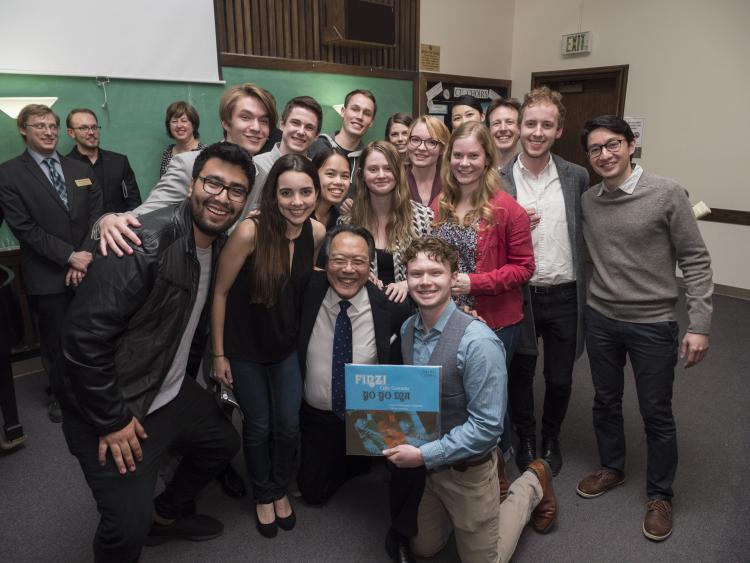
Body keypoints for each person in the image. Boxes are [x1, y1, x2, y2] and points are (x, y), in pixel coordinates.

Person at [60, 142, 252, 563]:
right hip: (111, 404)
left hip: (165, 387)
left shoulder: (217, 245)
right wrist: (111, 419)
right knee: (125, 531)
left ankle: (167, 516)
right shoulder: (144, 241)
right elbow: (80, 341)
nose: (222, 197)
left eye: (236, 190)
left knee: (221, 444)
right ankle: (141, 525)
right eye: (213, 183)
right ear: (191, 185)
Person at [576, 116, 713, 542]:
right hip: (601, 317)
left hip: (653, 322)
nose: (605, 154)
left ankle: (660, 495)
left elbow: (695, 260)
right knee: (605, 399)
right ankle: (613, 468)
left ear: (631, 144)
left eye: (613, 144)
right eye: (595, 148)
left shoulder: (667, 193)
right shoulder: (589, 201)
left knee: (656, 412)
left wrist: (700, 324)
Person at [385, 237, 558, 563]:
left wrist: (422, 455)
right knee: (425, 548)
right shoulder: (408, 330)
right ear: (405, 279)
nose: (424, 281)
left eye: (435, 272)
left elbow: (488, 428)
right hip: (428, 473)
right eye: (415, 273)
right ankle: (466, 515)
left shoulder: (478, 342)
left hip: (468, 470)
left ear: (454, 278)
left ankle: (532, 482)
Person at [211, 154, 326, 538]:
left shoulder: (318, 232)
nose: (297, 201)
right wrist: (218, 354)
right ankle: (263, 493)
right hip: (244, 351)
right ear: (273, 195)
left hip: (287, 349)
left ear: (316, 192)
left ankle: (279, 486)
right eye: (287, 193)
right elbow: (221, 293)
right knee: (258, 426)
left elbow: (311, 282)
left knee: (289, 426)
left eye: (306, 192)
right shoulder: (250, 232)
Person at [296, 224, 423, 563]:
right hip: (320, 414)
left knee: (412, 458)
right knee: (312, 493)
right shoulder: (306, 291)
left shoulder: (392, 308)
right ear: (325, 263)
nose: (348, 270)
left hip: (372, 413)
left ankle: (400, 534)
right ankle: (355, 460)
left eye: (358, 261)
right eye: (339, 260)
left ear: (370, 266)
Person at [499, 86, 589, 476]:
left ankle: (551, 435)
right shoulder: (499, 179)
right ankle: (527, 437)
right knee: (520, 371)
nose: (537, 132)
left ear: (559, 130)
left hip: (565, 293)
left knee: (559, 376)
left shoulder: (577, 176)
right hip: (520, 294)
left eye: (546, 125)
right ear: (519, 127)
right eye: (530, 123)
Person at [0, 104, 102, 423]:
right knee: (56, 344)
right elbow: (25, 228)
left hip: (88, 270)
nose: (48, 131)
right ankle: (61, 397)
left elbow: (97, 218)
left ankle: (95, 393)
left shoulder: (80, 169)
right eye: (39, 126)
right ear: (23, 130)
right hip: (47, 277)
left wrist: (82, 257)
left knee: (92, 336)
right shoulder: (9, 174)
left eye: (52, 126)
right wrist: (69, 256)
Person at [97, 83, 277, 256]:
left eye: (264, 121)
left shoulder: (261, 173)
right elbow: (147, 215)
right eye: (245, 117)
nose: (256, 128)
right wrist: (109, 220)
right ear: (226, 123)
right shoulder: (188, 164)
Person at [432, 121, 534, 365]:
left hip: (493, 321)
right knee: (448, 393)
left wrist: (474, 283)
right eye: (457, 155)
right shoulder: (440, 204)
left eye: (473, 156)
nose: (464, 163)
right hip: (444, 316)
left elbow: (524, 268)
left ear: (487, 159)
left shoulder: (507, 208)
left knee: (488, 396)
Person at [339, 141, 433, 303]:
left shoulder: (424, 218)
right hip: (363, 314)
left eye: (388, 168)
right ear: (362, 175)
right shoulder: (347, 224)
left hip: (413, 315)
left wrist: (408, 284)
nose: (381, 175)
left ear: (398, 172)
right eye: (373, 169)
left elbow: (436, 270)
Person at [66, 108, 142, 213]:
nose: (91, 132)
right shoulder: (65, 166)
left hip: (120, 227)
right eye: (84, 128)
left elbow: (134, 202)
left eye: (94, 127)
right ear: (71, 133)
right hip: (85, 229)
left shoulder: (119, 162)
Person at [253, 95, 323, 203]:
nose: (301, 132)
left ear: (317, 136)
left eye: (309, 127)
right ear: (282, 124)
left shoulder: (316, 172)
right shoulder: (256, 166)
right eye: (295, 123)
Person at [308, 89, 377, 195]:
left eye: (367, 113)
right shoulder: (317, 145)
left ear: (372, 122)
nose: (359, 117)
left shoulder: (368, 160)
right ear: (343, 111)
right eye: (355, 109)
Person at [311, 148, 351, 268]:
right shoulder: (297, 215)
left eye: (345, 176)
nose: (338, 182)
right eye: (330, 174)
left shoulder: (340, 221)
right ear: (313, 175)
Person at [405, 115, 449, 207]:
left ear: (442, 148)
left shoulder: (451, 184)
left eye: (431, 142)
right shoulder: (395, 181)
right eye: (415, 140)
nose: (421, 148)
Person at [159, 101, 206, 176]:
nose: (179, 125)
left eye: (184, 121)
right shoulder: (168, 152)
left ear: (193, 125)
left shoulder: (205, 153)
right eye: (174, 121)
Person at [485, 97, 522, 169]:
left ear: (520, 129)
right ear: (488, 130)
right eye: (496, 123)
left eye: (509, 122)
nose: (503, 128)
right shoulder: (477, 170)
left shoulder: (529, 170)